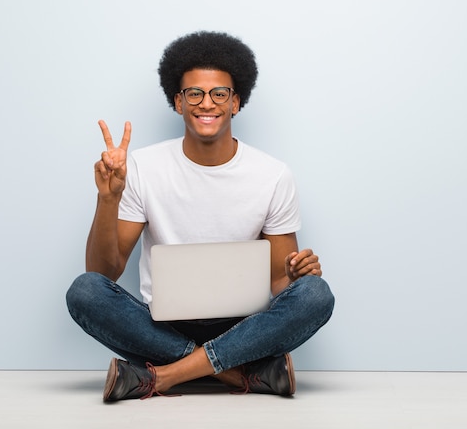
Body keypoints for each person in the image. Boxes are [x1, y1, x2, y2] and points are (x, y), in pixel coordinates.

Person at [66, 31, 335, 402]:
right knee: (84, 291)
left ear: (236, 102)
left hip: (244, 327)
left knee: (315, 295)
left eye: (219, 93)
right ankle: (239, 374)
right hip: (162, 324)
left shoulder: (273, 175)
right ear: (178, 101)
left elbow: (278, 281)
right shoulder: (143, 167)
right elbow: (103, 273)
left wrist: (292, 277)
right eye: (194, 93)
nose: (206, 103)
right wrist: (108, 199)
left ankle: (162, 376)